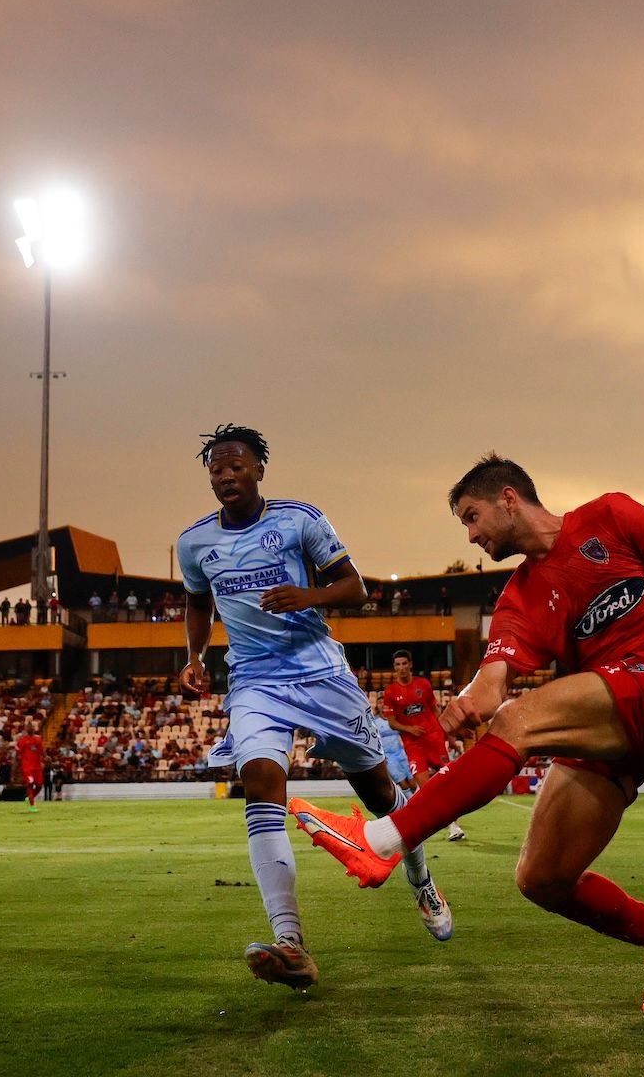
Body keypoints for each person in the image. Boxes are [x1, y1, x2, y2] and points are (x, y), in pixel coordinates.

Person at [289, 453, 644, 1012]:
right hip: (620, 723)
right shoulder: (520, 596)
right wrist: (465, 704)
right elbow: (492, 682)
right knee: (542, 879)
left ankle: (381, 841)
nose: (472, 535)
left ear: (508, 499)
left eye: (472, 517)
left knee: (520, 722)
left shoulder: (609, 514)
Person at [178, 424, 452, 992]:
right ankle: (290, 943)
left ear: (259, 471)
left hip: (321, 672)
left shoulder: (299, 520)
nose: (225, 475)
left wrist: (310, 596)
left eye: (236, 466)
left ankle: (421, 878)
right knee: (259, 782)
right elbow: (198, 601)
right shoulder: (194, 542)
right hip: (253, 679)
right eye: (216, 468)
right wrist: (196, 657)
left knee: (380, 796)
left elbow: (355, 589)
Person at [382, 650, 466, 841]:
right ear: (394, 668)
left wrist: (449, 737)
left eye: (404, 663)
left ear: (410, 665)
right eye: (398, 664)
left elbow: (436, 711)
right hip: (413, 745)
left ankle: (451, 824)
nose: (401, 667)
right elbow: (392, 722)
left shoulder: (423, 685)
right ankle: (447, 825)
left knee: (447, 783)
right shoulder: (390, 692)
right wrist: (409, 729)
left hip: (434, 739)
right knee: (426, 788)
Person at [15, 721, 45, 811]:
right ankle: (32, 805)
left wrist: (45, 758)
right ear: (26, 729)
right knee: (30, 784)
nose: (30, 728)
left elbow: (41, 751)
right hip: (27, 767)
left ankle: (29, 798)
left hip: (37, 766)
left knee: (39, 785)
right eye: (28, 727)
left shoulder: (38, 739)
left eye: (31, 727)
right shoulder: (23, 740)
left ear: (34, 729)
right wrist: (16, 765)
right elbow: (18, 753)